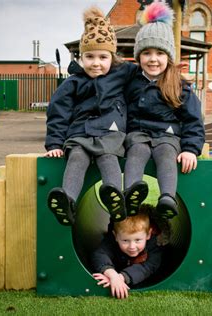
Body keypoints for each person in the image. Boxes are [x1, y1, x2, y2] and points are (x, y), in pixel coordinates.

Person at [44, 7, 144, 225]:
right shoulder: (73, 82)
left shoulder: (121, 74)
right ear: (81, 57)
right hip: (80, 133)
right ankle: (67, 201)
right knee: (77, 158)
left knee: (109, 159)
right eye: (89, 56)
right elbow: (58, 112)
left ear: (112, 58)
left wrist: (168, 70)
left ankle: (115, 199)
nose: (95, 63)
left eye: (102, 57)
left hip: (110, 132)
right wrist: (54, 143)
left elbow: (147, 69)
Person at [124, 1, 205, 219]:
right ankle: (130, 195)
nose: (153, 59)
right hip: (138, 134)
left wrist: (190, 149)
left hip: (167, 135)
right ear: (138, 56)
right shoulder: (131, 80)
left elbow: (193, 120)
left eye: (159, 53)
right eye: (146, 52)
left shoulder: (177, 84)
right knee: (136, 152)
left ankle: (167, 197)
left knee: (167, 154)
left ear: (168, 57)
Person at [91, 205, 165, 299]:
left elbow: (148, 267)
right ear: (116, 236)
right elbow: (99, 254)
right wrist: (112, 274)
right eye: (125, 241)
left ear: (148, 235)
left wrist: (121, 277)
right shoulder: (111, 240)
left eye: (138, 240)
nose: (132, 247)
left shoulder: (154, 245)